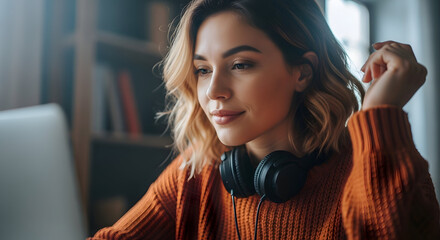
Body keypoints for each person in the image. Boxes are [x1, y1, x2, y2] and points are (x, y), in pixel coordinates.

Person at [88, 0, 440, 239]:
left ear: (302, 73)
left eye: (240, 64)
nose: (214, 91)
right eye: (202, 70)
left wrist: (380, 112)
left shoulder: (368, 169)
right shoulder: (195, 172)